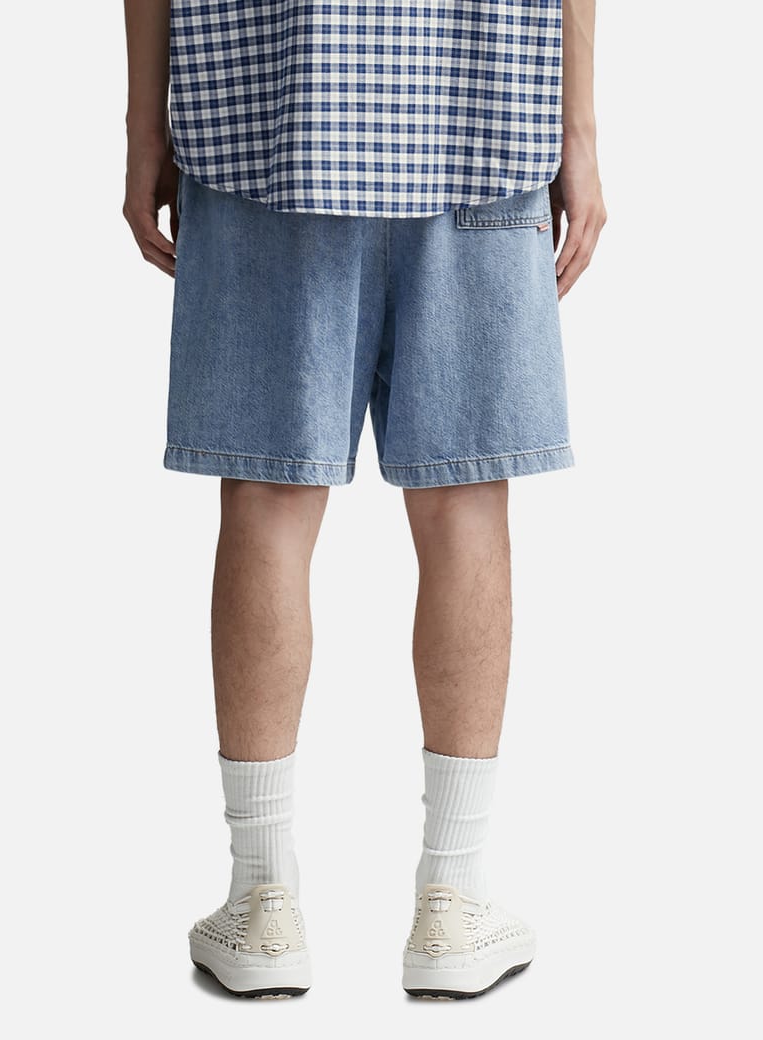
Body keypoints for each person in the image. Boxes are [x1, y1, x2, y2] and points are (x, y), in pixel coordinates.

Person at [123, 0, 606, 1001]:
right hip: (478, 103)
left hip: (264, 112)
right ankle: (453, 899)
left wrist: (143, 126)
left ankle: (261, 899)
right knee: (464, 498)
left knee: (269, 496)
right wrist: (578, 132)